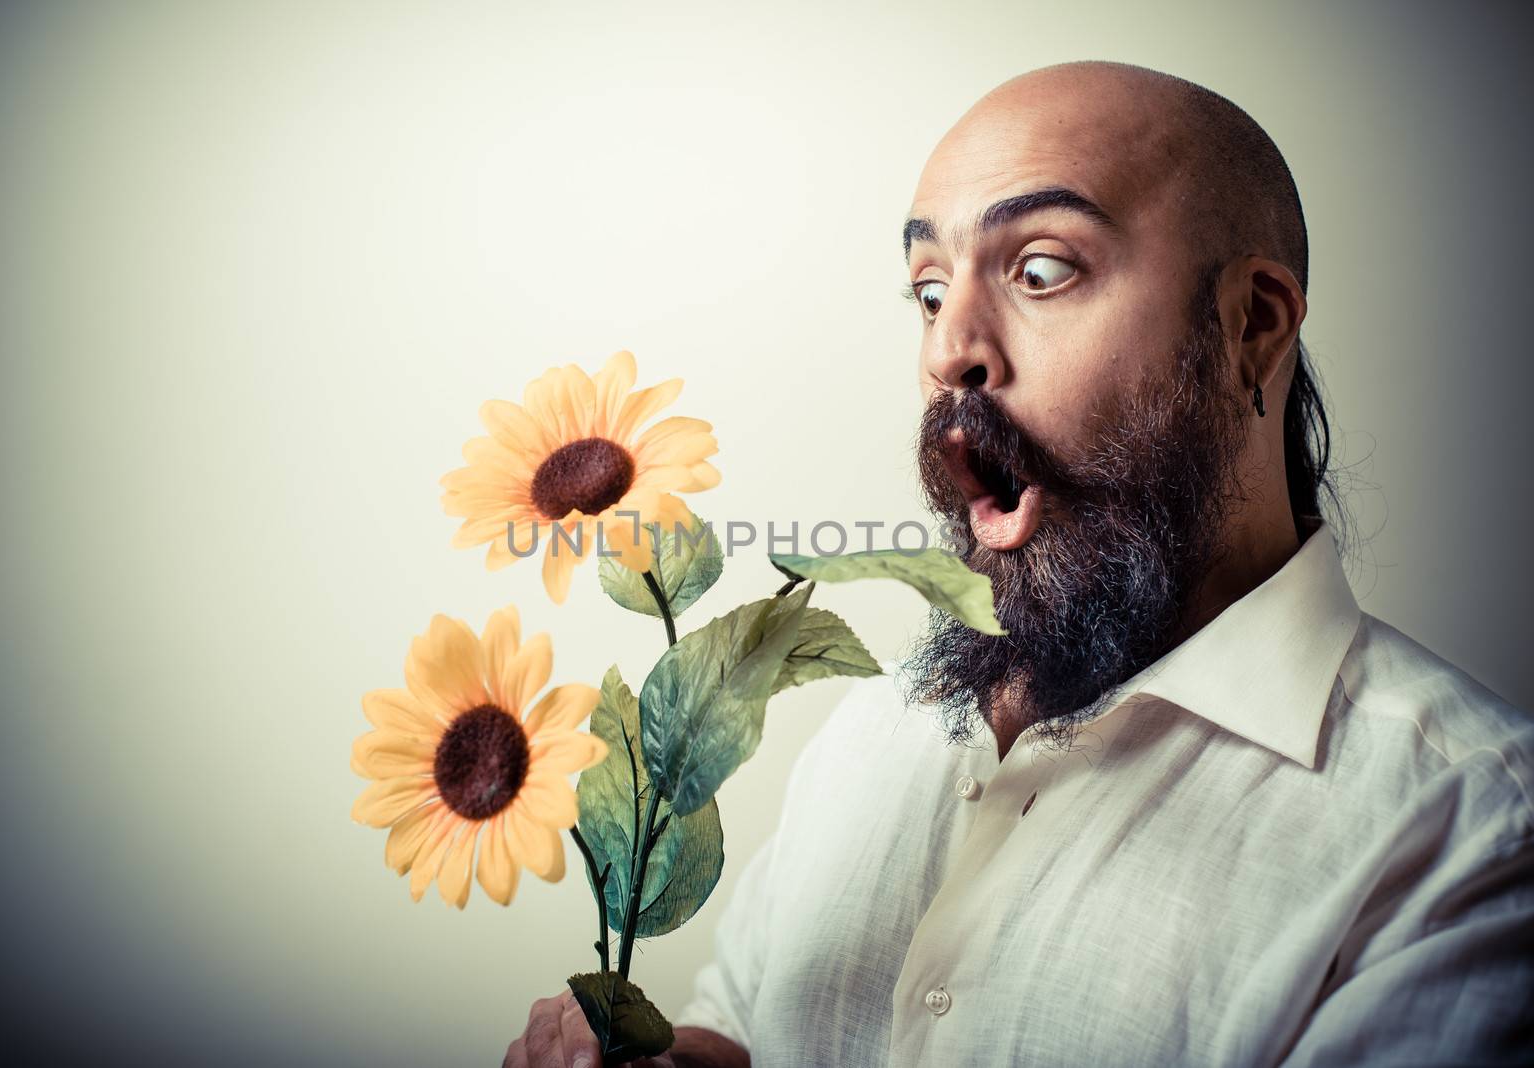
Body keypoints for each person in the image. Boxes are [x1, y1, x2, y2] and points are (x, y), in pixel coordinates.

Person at [504, 61, 1534, 1067]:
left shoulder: (1472, 836)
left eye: (1042, 270)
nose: (950, 347)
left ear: (1251, 328)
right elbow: (744, 1020)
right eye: (927, 288)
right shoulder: (877, 725)